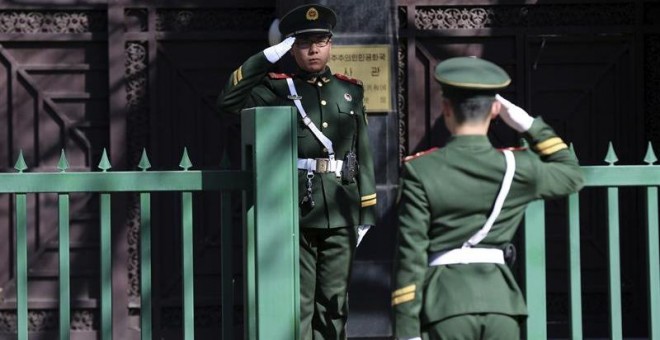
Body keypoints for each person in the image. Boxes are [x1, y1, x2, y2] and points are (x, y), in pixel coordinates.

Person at [391, 57, 584, 340]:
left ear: (446, 108)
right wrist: (527, 123)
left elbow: (410, 256)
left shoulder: (420, 170)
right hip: (501, 305)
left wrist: (407, 331)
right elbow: (572, 174)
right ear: (495, 110)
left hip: (445, 306)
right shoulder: (518, 166)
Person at [217, 4, 377, 339]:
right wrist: (266, 56)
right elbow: (229, 101)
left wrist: (366, 211)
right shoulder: (277, 89)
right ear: (292, 47)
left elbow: (362, 152)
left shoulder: (350, 90)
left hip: (342, 206)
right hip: (299, 206)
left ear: (331, 44)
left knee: (335, 303)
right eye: (304, 43)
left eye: (320, 41)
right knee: (302, 301)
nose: (313, 49)